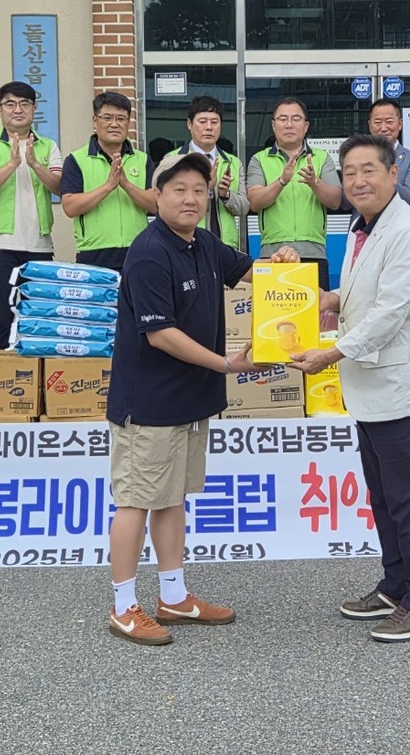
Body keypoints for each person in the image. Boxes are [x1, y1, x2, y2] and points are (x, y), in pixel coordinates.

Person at [105, 151, 299, 646]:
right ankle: (123, 606)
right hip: (149, 403)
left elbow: (252, 272)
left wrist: (281, 267)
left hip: (189, 400)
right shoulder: (149, 253)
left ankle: (173, 596)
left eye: (198, 189)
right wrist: (227, 364)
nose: (190, 198)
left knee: (172, 501)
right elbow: (161, 335)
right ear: (157, 196)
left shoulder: (205, 243)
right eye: (178, 189)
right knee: (135, 502)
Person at [290, 134, 410, 643]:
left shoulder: (406, 231)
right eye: (350, 172)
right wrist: (329, 299)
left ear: (392, 174)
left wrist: (329, 354)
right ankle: (396, 585)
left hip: (401, 387)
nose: (358, 180)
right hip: (374, 387)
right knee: (384, 497)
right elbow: (367, 293)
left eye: (369, 170)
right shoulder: (364, 228)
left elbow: (389, 314)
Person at [0, 81, 64, 350]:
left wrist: (34, 163)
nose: (17, 109)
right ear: (0, 110)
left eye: (24, 104)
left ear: (34, 108)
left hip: (39, 246)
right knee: (0, 319)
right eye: (10, 104)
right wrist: (12, 163)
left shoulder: (48, 146)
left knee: (39, 319)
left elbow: (59, 187)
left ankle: (34, 386)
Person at [246, 97, 343, 289]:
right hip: (273, 255)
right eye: (283, 119)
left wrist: (314, 182)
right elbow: (255, 202)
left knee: (316, 317)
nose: (289, 124)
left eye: (296, 119)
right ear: (274, 125)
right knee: (274, 317)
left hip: (313, 253)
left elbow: (335, 201)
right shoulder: (259, 160)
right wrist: (282, 181)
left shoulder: (322, 158)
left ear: (306, 126)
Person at [60, 91, 157, 273]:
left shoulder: (143, 160)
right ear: (95, 121)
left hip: (138, 250)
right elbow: (70, 207)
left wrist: (126, 185)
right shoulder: (76, 160)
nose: (114, 124)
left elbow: (155, 204)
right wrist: (109, 186)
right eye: (107, 118)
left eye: (121, 118)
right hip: (93, 253)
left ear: (129, 122)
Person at [171, 95, 249, 249]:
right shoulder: (173, 160)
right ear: (189, 124)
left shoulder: (233, 162)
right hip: (186, 243)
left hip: (225, 246)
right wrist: (206, 188)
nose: (209, 127)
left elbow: (244, 208)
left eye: (214, 122)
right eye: (202, 121)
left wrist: (225, 195)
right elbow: (168, 205)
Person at [367, 97, 410, 211]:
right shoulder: (357, 156)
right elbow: (344, 202)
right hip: (362, 226)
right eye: (378, 122)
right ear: (369, 125)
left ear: (400, 124)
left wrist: (386, 177)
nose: (383, 128)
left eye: (389, 122)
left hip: (398, 225)